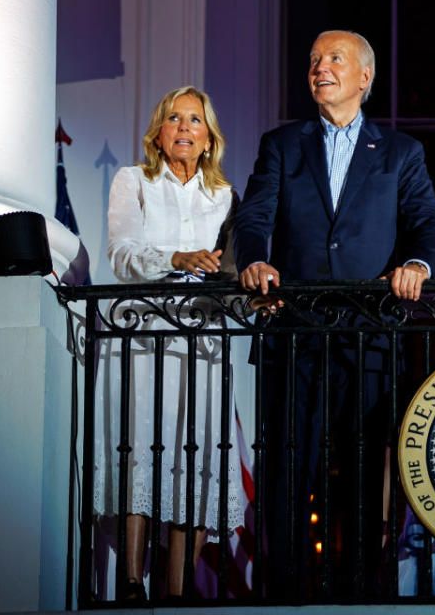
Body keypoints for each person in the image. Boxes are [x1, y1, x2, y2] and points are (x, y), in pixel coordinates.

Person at [232, 30, 435, 595]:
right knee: (285, 468)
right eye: (313, 60)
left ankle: (359, 593)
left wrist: (418, 265)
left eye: (334, 59)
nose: (319, 68)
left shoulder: (400, 152)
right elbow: (254, 219)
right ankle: (280, 594)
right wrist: (254, 262)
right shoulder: (281, 144)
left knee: (361, 472)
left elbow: (428, 222)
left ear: (364, 78)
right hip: (295, 326)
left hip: (369, 332)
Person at [96, 86, 246, 601]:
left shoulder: (225, 197)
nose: (184, 128)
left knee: (195, 454)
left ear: (209, 140)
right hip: (140, 337)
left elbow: (232, 271)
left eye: (195, 121)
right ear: (158, 133)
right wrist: (176, 259)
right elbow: (120, 254)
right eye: (174, 119)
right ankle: (133, 582)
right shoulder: (132, 180)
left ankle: (178, 590)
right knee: (140, 449)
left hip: (203, 341)